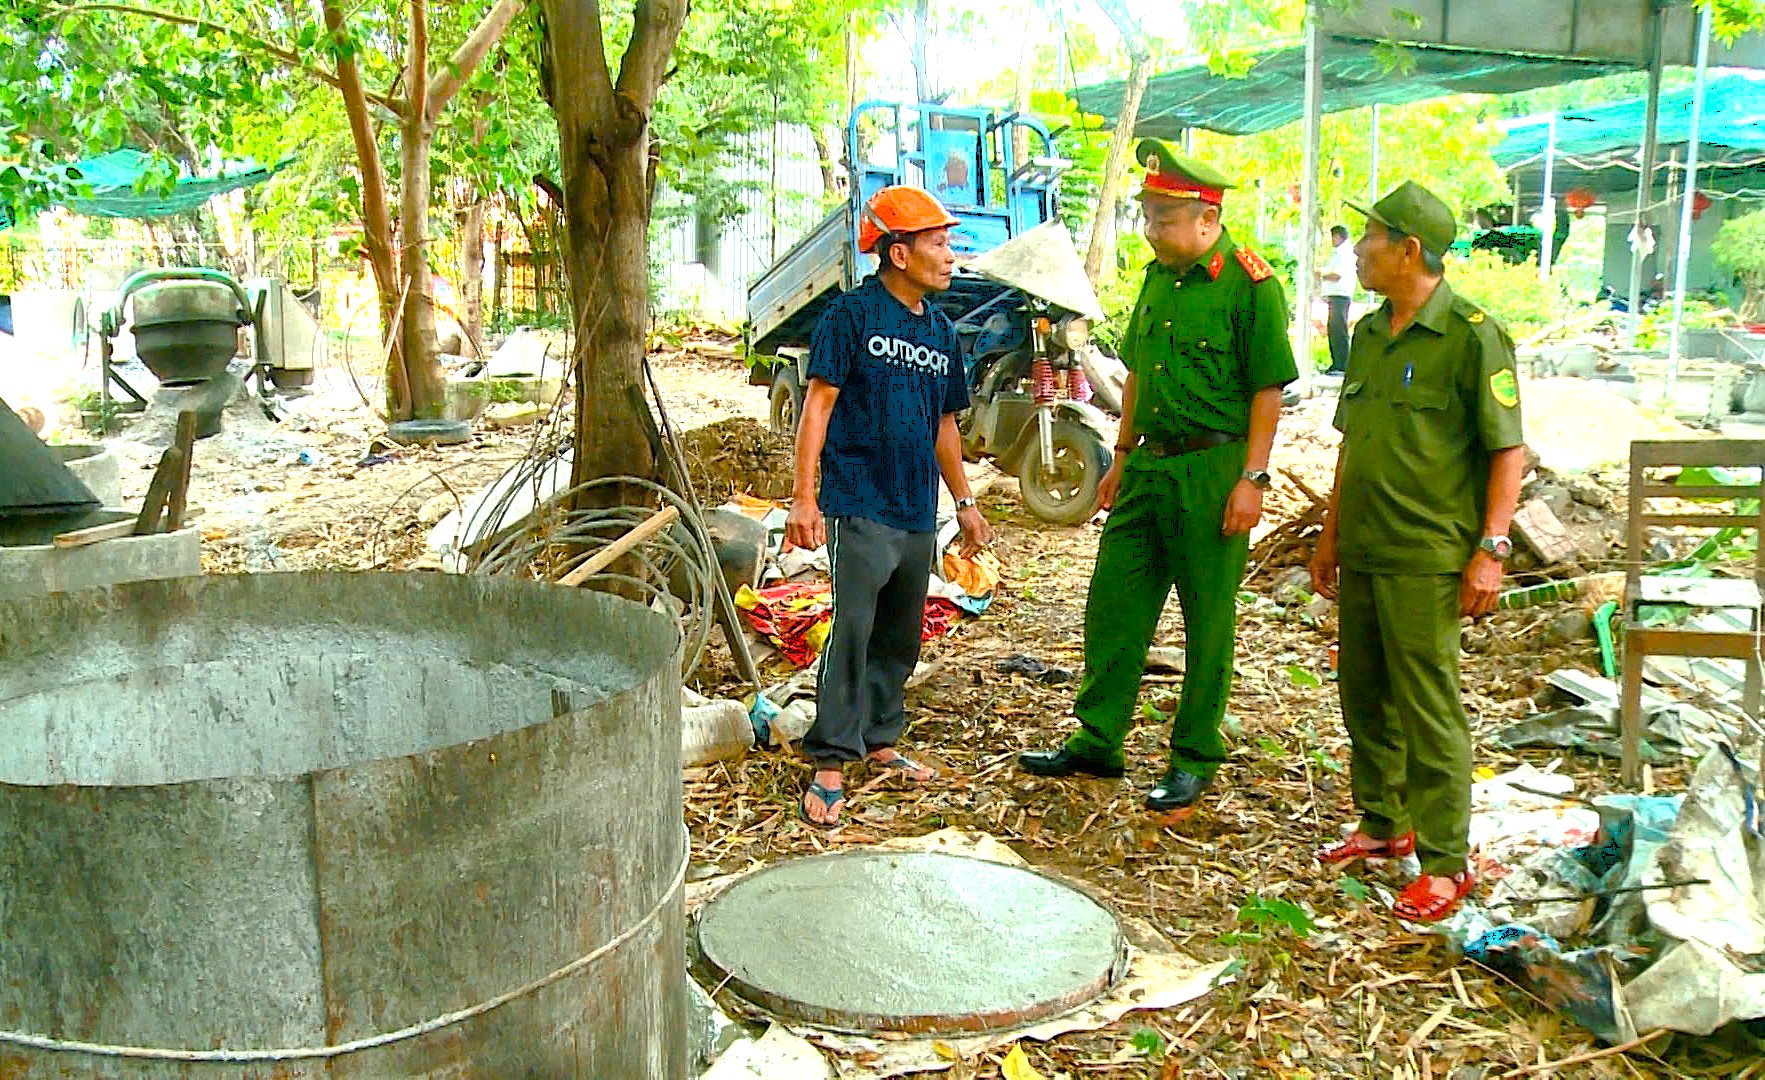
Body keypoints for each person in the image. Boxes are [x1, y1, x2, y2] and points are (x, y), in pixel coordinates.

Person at [1018, 141, 1298, 819]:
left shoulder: (1250, 285)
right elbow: (1138, 372)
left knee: (1207, 617)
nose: (1150, 229)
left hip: (1213, 467)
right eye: (1146, 216)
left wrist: (1252, 478)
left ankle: (1193, 755)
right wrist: (1119, 451)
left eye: (1163, 218)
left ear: (1206, 218)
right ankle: (1097, 737)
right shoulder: (1155, 280)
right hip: (1146, 464)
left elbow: (1267, 390)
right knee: (1114, 601)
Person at [1308, 181, 1526, 923]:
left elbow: (1506, 451)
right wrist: (1329, 538)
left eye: (1369, 239)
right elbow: (1351, 447)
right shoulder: (1369, 333)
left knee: (1427, 706)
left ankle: (1443, 860)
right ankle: (1381, 823)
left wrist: (1490, 549)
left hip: (1428, 553)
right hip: (1365, 545)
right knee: (1361, 692)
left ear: (1407, 250)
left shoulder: (1470, 335)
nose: (1357, 252)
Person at [785, 184, 992, 828]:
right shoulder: (850, 317)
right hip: (858, 500)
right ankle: (829, 757)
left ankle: (881, 741)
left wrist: (964, 502)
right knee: (852, 629)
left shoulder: (940, 332)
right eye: (939, 243)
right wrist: (803, 496)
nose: (950, 255)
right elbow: (817, 407)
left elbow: (945, 430)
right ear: (899, 253)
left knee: (901, 632)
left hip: (913, 507)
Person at [1319, 224, 1356, 374]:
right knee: (1334, 329)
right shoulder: (1339, 253)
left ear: (1338, 236)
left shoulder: (1343, 253)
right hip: (1336, 295)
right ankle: (1337, 363)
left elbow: (1336, 274)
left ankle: (1342, 365)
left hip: (1340, 294)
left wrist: (1320, 273)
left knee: (1338, 330)